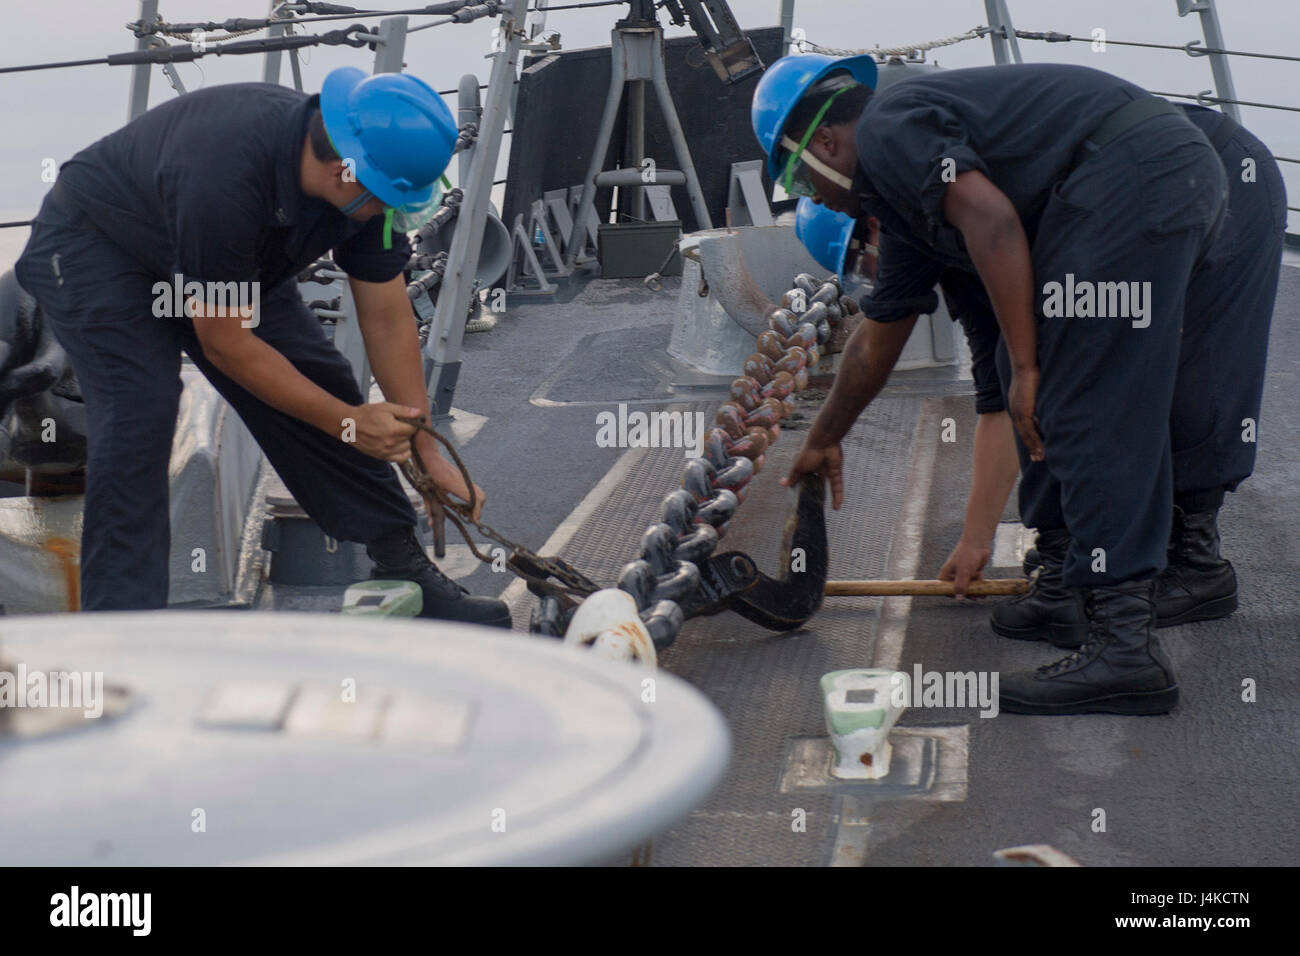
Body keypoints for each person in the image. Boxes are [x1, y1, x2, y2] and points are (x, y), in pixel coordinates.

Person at [753, 53, 1245, 715]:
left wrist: (1030, 368)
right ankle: (1070, 588)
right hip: (1140, 179)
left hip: (1132, 178)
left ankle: (1125, 648)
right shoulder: (903, 207)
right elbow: (880, 334)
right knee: (1047, 390)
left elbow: (993, 222)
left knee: (1090, 399)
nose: (812, 197)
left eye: (801, 181)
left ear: (823, 143)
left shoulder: (891, 128)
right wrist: (824, 438)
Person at [14, 67, 511, 627]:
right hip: (99, 252)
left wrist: (426, 452)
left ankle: (402, 563)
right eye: (386, 197)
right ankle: (120, 634)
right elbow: (226, 344)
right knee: (140, 412)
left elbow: (388, 315)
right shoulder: (224, 176)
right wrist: (350, 422)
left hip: (224, 260)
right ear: (344, 171)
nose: (388, 208)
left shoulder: (368, 186)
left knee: (317, 379)